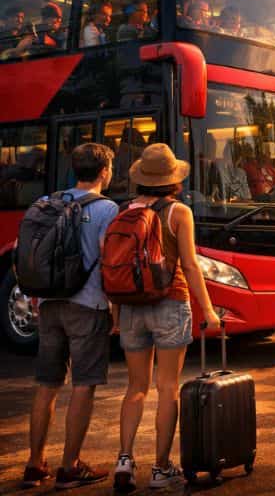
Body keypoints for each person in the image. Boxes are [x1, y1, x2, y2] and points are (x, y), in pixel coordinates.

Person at [114, 144, 222, 492]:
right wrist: (208, 311)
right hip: (170, 303)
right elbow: (189, 265)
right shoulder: (179, 212)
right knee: (167, 388)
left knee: (135, 388)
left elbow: (116, 266)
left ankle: (124, 460)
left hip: (130, 306)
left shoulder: (124, 211)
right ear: (173, 178)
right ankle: (160, 469)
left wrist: (116, 314)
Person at [22, 144, 119, 489]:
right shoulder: (108, 209)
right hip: (88, 304)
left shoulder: (47, 202)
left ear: (74, 169)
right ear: (105, 171)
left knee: (46, 384)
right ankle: (70, 465)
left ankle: (35, 464)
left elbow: (33, 254)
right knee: (84, 384)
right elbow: (110, 262)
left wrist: (35, 296)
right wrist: (116, 309)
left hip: (48, 303)